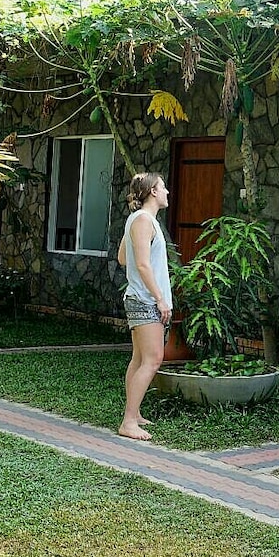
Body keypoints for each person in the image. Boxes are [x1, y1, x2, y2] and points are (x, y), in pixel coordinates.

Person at [116, 172, 173, 441]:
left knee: (139, 359)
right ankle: (129, 421)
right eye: (163, 187)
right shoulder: (142, 221)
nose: (167, 192)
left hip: (140, 297)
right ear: (152, 192)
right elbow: (139, 264)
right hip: (145, 300)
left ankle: (134, 414)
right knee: (153, 360)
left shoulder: (140, 220)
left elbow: (122, 257)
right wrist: (160, 298)